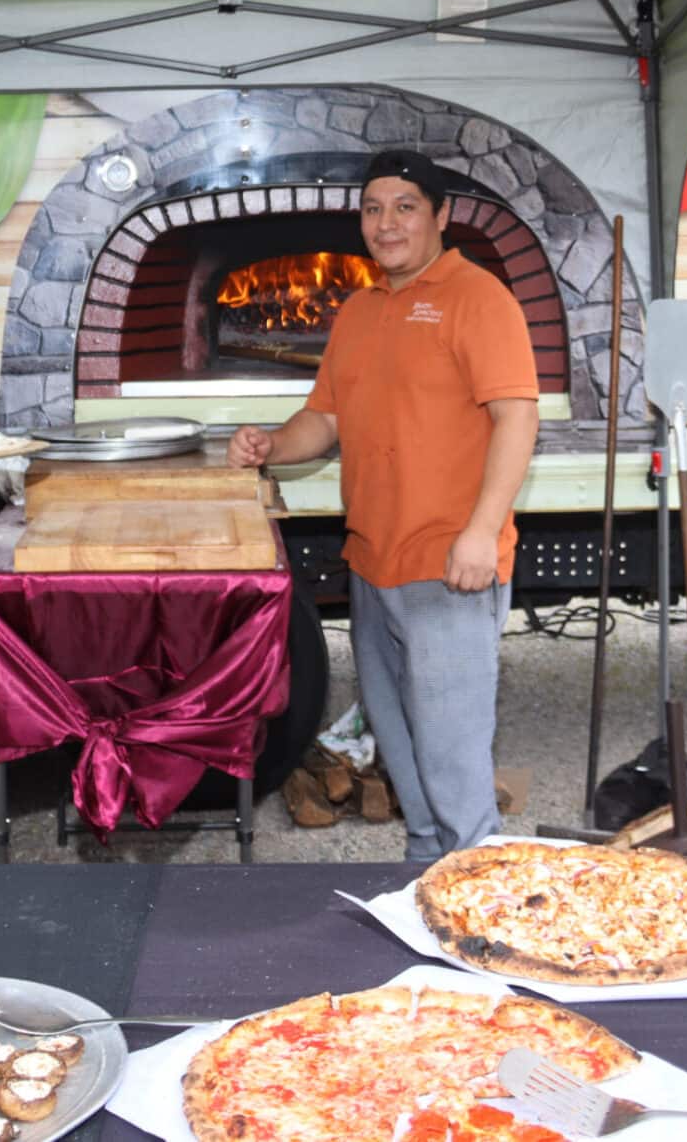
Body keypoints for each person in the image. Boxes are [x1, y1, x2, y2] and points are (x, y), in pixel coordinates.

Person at [227, 150, 539, 858]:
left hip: (448, 563)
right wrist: (271, 444)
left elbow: (517, 418)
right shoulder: (360, 310)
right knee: (401, 752)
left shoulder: (479, 297)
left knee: (454, 765)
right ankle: (422, 881)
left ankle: (475, 895)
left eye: (405, 207)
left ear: (442, 216)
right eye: (373, 209)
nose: (386, 223)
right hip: (372, 562)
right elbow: (325, 420)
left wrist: (481, 532)